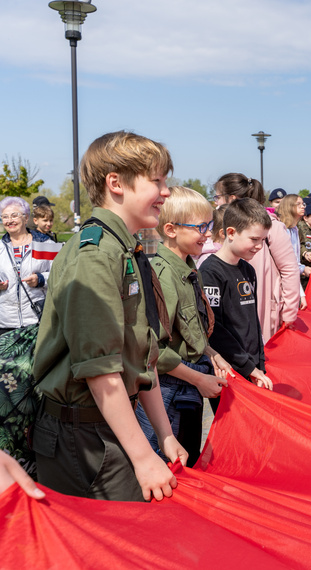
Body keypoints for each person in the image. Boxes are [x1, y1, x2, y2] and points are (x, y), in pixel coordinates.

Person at [32, 130, 188, 502]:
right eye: (157, 181)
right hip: (84, 436)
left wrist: (164, 435)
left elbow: (141, 358)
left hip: (108, 423)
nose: (166, 192)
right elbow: (101, 371)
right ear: (116, 183)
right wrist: (142, 456)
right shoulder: (96, 254)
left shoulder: (126, 250)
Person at [135, 187, 233, 467]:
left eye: (210, 226)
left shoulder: (189, 270)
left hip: (187, 386)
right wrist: (198, 379)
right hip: (168, 391)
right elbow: (155, 349)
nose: (208, 234)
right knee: (170, 464)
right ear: (171, 229)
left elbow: (192, 331)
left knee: (188, 456)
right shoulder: (163, 275)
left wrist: (212, 354)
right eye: (201, 227)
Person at [212, 174, 302, 342]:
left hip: (263, 306)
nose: (216, 202)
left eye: (217, 197)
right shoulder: (221, 227)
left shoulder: (272, 227)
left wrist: (289, 311)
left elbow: (289, 268)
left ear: (230, 199)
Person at [200, 198, 274, 392]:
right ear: (231, 233)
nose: (259, 246)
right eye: (254, 239)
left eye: (263, 240)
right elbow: (213, 328)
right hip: (228, 368)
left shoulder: (248, 270)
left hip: (251, 366)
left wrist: (258, 365)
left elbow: (252, 323)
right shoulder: (210, 272)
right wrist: (247, 366)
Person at [0, 197, 55, 335]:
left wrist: (41, 279)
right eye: (5, 217)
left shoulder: (45, 244)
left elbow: (62, 275)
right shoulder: (0, 248)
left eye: (14, 215)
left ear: (26, 218)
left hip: (38, 321)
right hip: (6, 324)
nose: (9, 220)